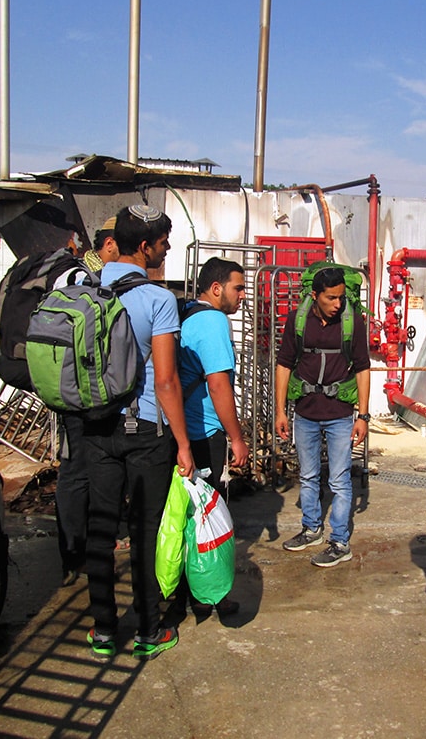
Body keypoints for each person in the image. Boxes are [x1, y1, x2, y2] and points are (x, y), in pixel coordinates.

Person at [83, 203, 194, 662]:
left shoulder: (83, 287)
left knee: (100, 529)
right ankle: (149, 629)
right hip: (144, 428)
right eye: (164, 242)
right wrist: (183, 444)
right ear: (145, 246)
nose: (167, 250)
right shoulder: (158, 299)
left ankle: (104, 630)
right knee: (145, 531)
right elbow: (165, 380)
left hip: (93, 426)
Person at [275, 264, 371, 568]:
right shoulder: (297, 320)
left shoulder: (352, 322)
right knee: (308, 475)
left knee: (340, 480)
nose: (337, 304)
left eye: (341, 298)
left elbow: (363, 368)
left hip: (341, 413)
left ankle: (340, 542)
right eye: (331, 298)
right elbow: (284, 364)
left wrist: (363, 416)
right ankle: (312, 528)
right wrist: (280, 410)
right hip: (305, 412)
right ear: (314, 295)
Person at [176, 256, 250, 616]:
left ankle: (184, 594)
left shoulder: (188, 316)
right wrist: (237, 437)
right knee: (208, 520)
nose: (242, 296)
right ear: (216, 288)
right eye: (238, 288)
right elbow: (219, 385)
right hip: (204, 435)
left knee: (185, 516)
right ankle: (209, 595)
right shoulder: (213, 320)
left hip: (182, 436)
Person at [57, 216, 125, 587]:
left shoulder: (79, 274)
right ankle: (75, 555)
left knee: (80, 469)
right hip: (82, 392)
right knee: (78, 471)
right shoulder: (86, 278)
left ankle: (80, 552)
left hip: (76, 388)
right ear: (111, 244)